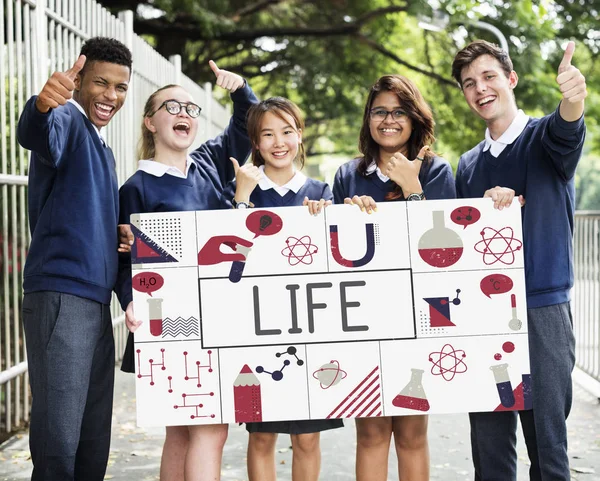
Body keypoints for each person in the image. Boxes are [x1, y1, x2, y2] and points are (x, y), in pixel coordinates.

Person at [115, 62, 258, 481]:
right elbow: (125, 260)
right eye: (172, 106)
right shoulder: (135, 189)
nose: (184, 114)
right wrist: (129, 300)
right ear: (150, 121)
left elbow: (244, 126)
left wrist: (240, 90)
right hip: (170, 323)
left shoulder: (210, 163)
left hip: (217, 316)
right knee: (204, 431)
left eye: (191, 109)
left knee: (185, 431)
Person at [452, 40, 587, 480]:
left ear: (511, 79)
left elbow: (569, 124)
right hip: (482, 314)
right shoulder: (467, 165)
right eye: (469, 83)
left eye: (489, 76)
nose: (480, 89)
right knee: (489, 446)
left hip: (541, 308)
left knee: (548, 447)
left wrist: (574, 96)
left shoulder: (545, 138)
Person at [16, 37, 132, 481]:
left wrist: (116, 232)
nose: (110, 96)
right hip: (61, 294)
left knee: (90, 439)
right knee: (59, 440)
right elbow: (37, 134)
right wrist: (42, 106)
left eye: (120, 87)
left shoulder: (102, 146)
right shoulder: (65, 118)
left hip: (94, 301)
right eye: (101, 83)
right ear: (78, 80)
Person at [332, 74, 455, 481]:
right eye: (379, 111)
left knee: (412, 433)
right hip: (361, 318)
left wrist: (412, 188)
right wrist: (349, 214)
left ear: (414, 118)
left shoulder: (436, 170)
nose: (388, 120)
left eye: (398, 112)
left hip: (417, 313)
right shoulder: (348, 175)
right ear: (368, 119)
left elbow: (443, 251)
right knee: (369, 433)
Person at [230, 97, 342, 481]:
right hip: (258, 327)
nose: (279, 142)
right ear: (255, 143)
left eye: (287, 132)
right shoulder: (242, 190)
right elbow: (230, 259)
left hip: (311, 330)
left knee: (308, 438)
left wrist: (326, 219)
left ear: (299, 135)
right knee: (262, 437)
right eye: (268, 135)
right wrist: (241, 201)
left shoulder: (321, 191)